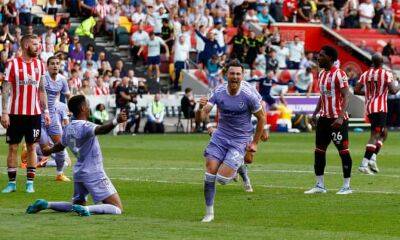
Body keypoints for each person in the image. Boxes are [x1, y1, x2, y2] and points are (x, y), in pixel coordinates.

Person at [26, 95, 127, 216]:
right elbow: (102, 130)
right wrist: (116, 121)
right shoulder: (86, 126)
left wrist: (48, 150)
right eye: (88, 105)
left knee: (76, 205)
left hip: (79, 172)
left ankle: (47, 204)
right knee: (117, 208)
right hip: (94, 172)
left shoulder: (68, 128)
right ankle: (88, 210)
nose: (89, 108)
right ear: (84, 108)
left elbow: (60, 146)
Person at [196, 60, 265, 222]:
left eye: (238, 74)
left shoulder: (248, 95)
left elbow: (261, 118)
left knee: (223, 179)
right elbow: (203, 116)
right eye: (232, 73)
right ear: (226, 75)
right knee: (210, 172)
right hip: (220, 137)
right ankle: (209, 213)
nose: (235, 76)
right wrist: (200, 109)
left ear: (242, 76)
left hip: (240, 140)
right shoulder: (218, 91)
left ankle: (238, 162)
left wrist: (254, 143)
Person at [1, 34, 50, 193]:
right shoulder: (12, 64)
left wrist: (46, 111)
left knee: (32, 148)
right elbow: (6, 89)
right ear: (27, 45)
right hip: (15, 114)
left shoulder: (40, 65)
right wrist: (4, 112)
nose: (38, 47)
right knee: (13, 148)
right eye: (35, 44)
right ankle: (12, 183)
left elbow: (42, 90)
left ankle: (30, 183)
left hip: (34, 114)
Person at [305, 46, 353, 195]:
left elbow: (347, 95)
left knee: (343, 151)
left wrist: (340, 116)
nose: (318, 58)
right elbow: (322, 96)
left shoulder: (339, 74)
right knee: (319, 151)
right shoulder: (322, 74)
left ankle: (346, 186)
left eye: (321, 55)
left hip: (337, 121)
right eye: (318, 55)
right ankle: (320, 185)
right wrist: (315, 113)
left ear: (330, 58)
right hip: (324, 119)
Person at [354, 53, 400, 174]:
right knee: (375, 134)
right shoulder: (385, 74)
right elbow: (394, 91)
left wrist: (370, 93)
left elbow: (356, 90)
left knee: (383, 133)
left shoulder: (366, 73)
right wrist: (398, 83)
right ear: (382, 62)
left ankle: (372, 158)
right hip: (380, 108)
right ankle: (364, 164)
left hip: (370, 107)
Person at [39, 56, 71, 181]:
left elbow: (68, 95)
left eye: (57, 63)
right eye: (52, 63)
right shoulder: (42, 78)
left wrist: (71, 108)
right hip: (39, 116)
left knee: (60, 145)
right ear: (48, 66)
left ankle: (59, 174)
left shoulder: (62, 80)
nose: (55, 66)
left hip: (53, 116)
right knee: (45, 150)